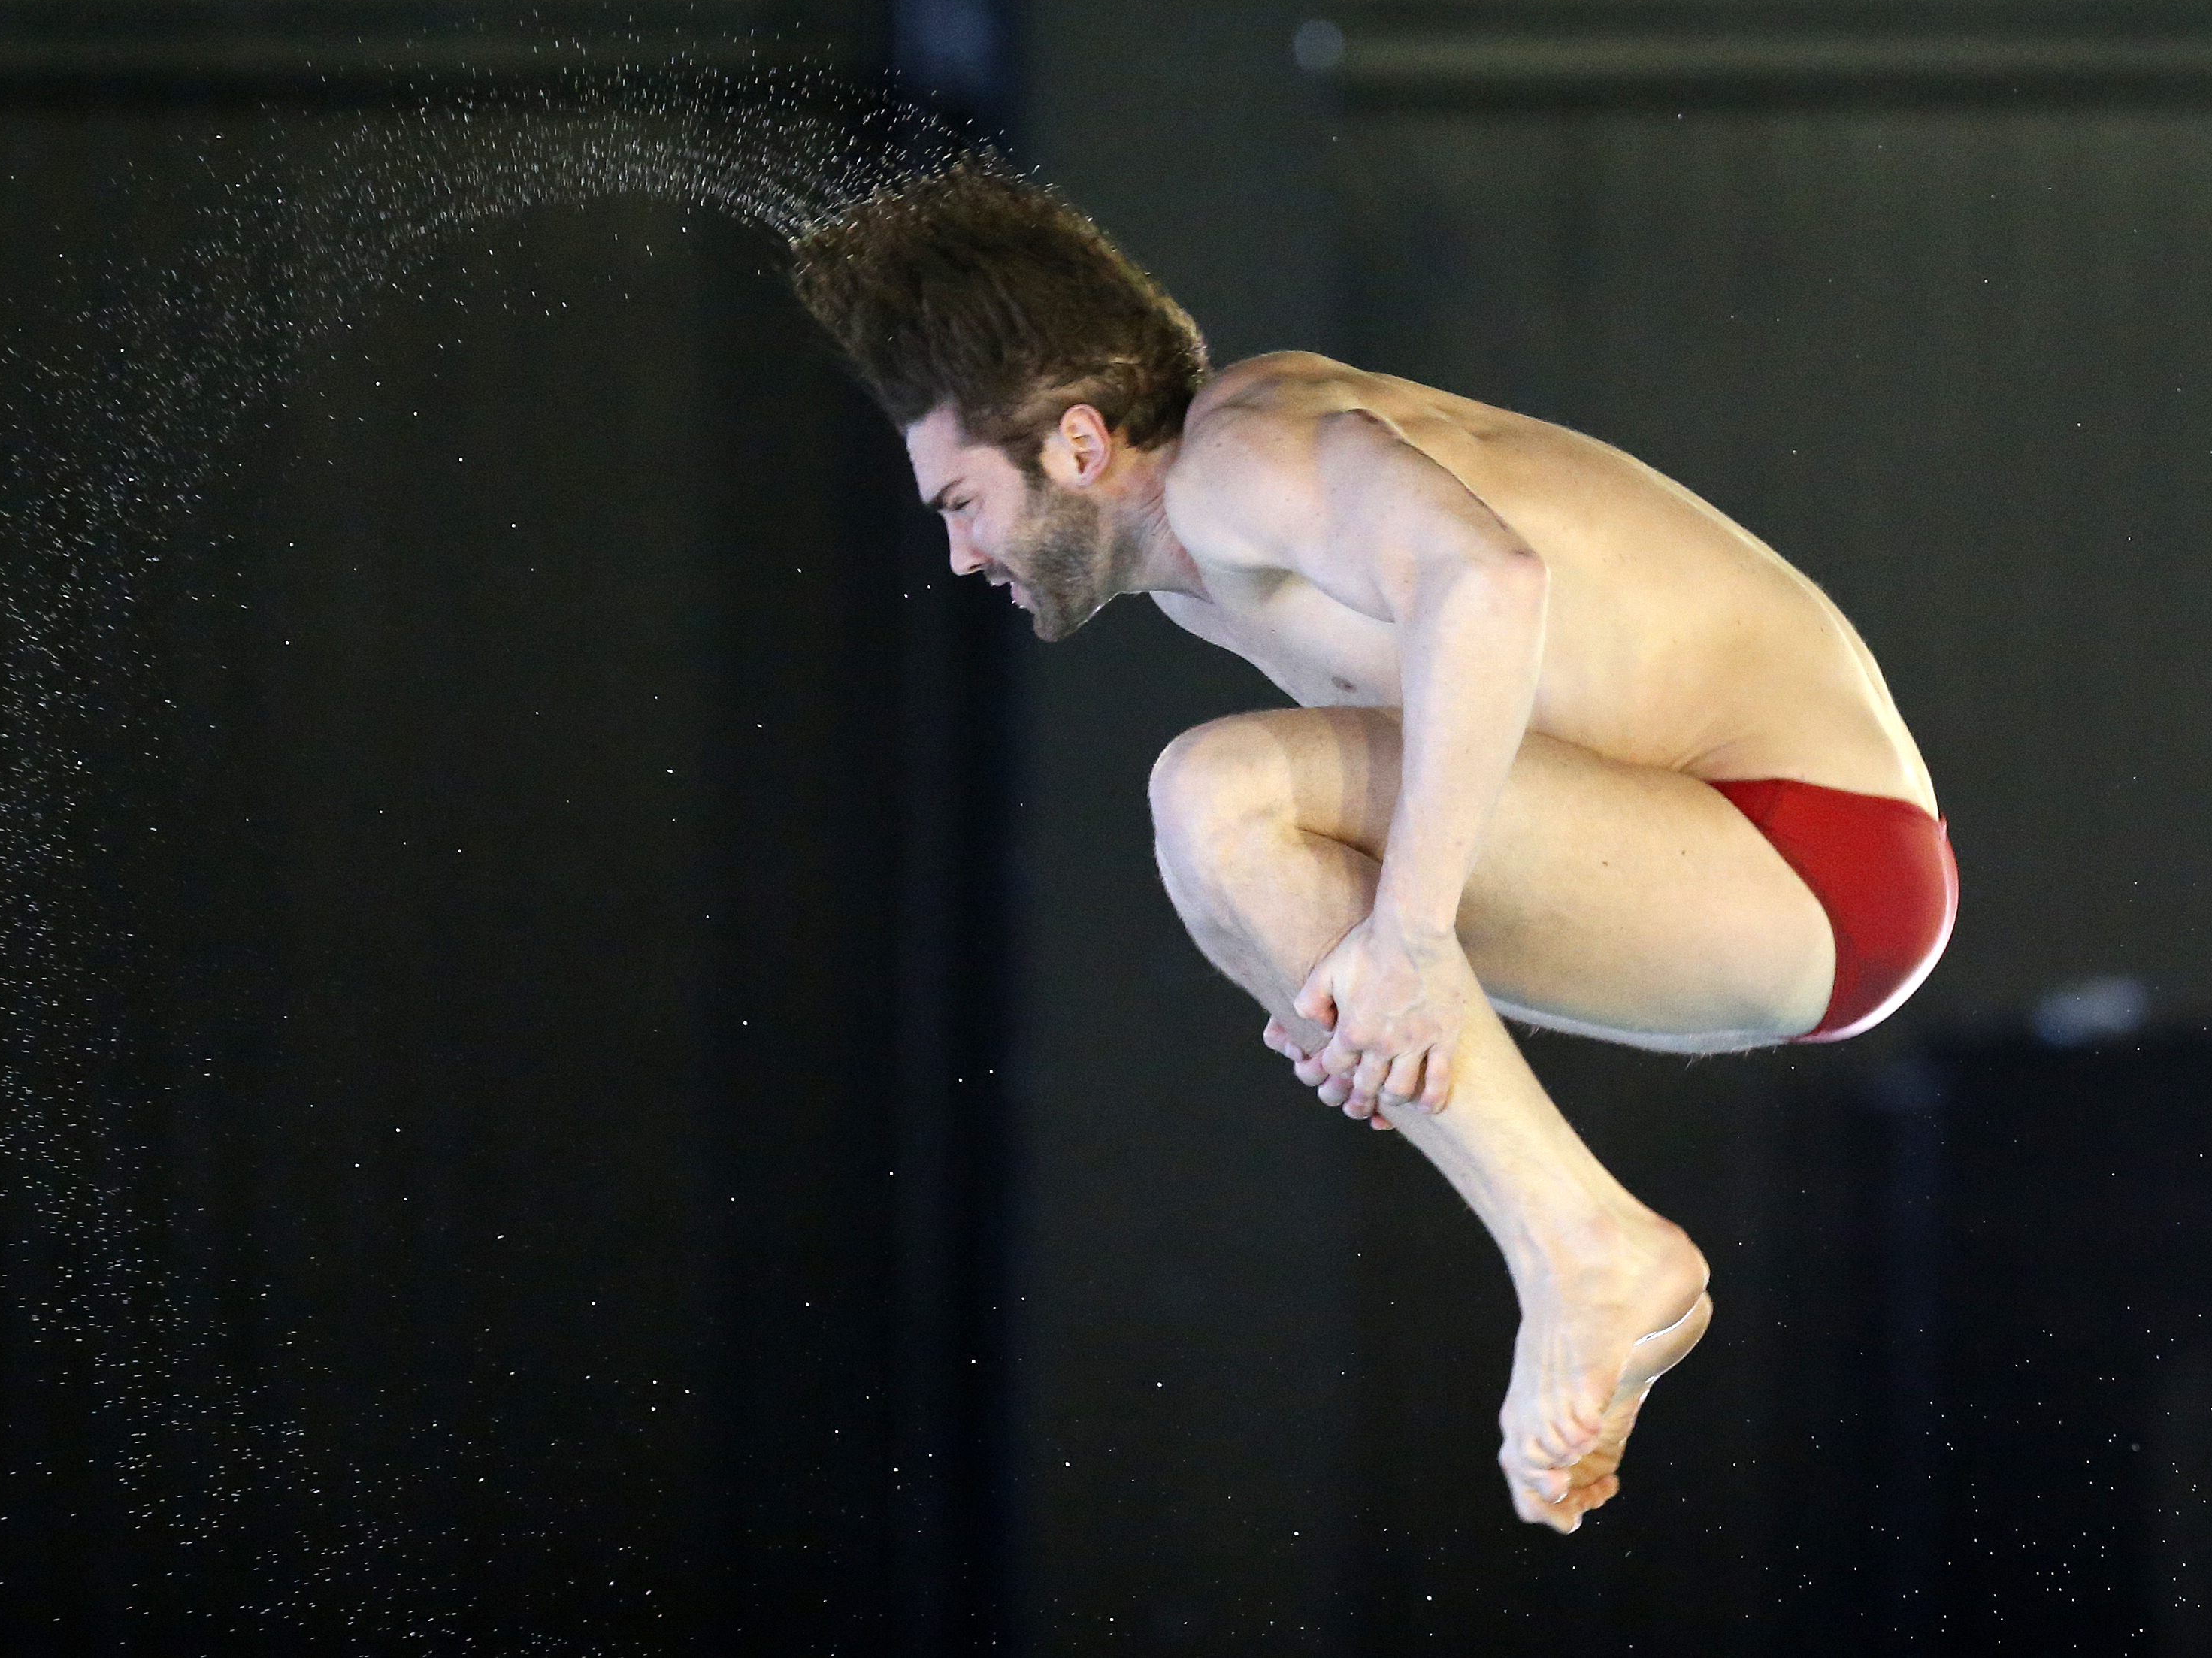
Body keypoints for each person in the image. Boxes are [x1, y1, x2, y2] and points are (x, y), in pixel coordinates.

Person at [791, 162, 1956, 1533]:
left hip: (1806, 849)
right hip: (1739, 877)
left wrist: (1402, 938)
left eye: (959, 504)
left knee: (1217, 792)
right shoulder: (1206, 575)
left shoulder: (1244, 457)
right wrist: (1350, 975)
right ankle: (1581, 1244)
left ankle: (1589, 1249)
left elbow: (1488, 580)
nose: (960, 558)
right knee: (1232, 868)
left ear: (1082, 444)